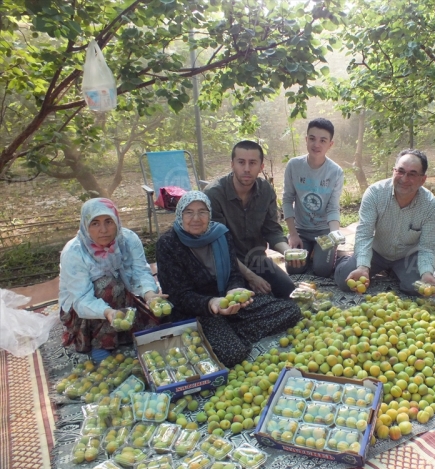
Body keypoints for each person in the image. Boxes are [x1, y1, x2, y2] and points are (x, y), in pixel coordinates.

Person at [155, 191, 301, 367]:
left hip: (229, 302)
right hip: (197, 311)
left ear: (209, 213)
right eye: (189, 212)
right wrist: (211, 303)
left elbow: (233, 273)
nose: (196, 218)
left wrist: (234, 289)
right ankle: (225, 333)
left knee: (290, 311)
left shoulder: (220, 234)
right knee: (233, 354)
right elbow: (178, 295)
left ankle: (228, 331)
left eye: (202, 212)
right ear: (179, 215)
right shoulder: (168, 244)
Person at [59, 198, 166, 362]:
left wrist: (149, 294)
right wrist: (108, 313)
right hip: (82, 309)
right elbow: (81, 300)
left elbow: (141, 271)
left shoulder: (128, 240)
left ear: (117, 221)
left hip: (123, 295)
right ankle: (100, 344)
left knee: (159, 320)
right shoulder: (74, 253)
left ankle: (121, 331)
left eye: (109, 221)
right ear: (85, 225)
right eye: (95, 223)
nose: (103, 230)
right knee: (109, 285)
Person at [334, 149, 435, 295]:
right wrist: (363, 266)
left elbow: (427, 246)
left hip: (407, 255)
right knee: (344, 281)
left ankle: (398, 270)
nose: (404, 178)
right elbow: (364, 233)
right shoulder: (375, 193)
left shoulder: (430, 204)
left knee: (418, 288)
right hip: (376, 252)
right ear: (393, 171)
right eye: (400, 171)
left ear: (423, 180)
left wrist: (426, 272)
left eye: (412, 174)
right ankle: (347, 258)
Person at [205, 140, 295, 298]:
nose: (246, 169)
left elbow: (272, 230)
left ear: (261, 167)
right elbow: (219, 248)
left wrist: (288, 253)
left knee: (289, 291)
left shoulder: (266, 190)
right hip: (226, 266)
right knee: (246, 304)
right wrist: (251, 277)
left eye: (252, 163)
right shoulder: (214, 195)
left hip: (257, 260)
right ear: (232, 164)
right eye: (241, 162)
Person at [283, 118, 344, 277]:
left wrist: (334, 234)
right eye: (312, 138)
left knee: (322, 270)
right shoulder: (293, 166)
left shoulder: (336, 172)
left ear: (330, 144)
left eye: (322, 140)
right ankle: (308, 250)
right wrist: (294, 234)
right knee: (293, 269)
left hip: (324, 231)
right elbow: (287, 199)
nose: (316, 144)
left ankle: (324, 254)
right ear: (306, 140)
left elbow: (332, 207)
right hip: (301, 230)